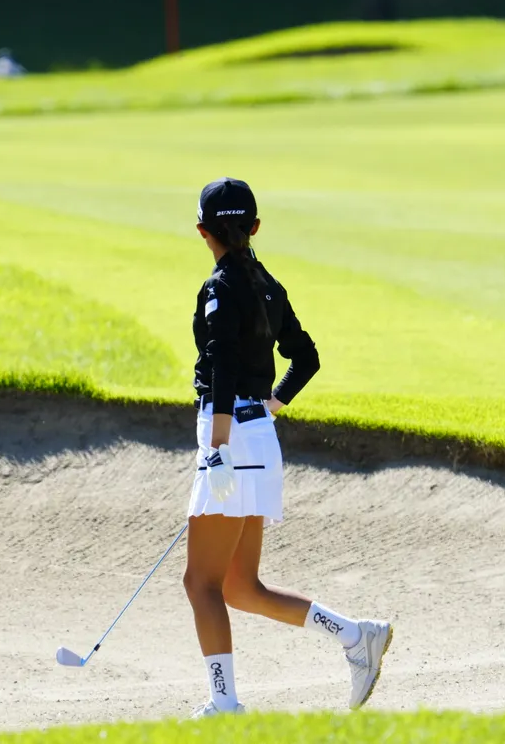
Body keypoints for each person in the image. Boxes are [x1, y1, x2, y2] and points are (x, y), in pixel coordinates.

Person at [183, 177, 392, 718]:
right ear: (254, 228)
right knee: (239, 587)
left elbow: (222, 367)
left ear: (203, 231)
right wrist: (268, 407)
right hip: (257, 439)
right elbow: (306, 357)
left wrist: (218, 447)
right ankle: (355, 636)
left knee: (201, 583)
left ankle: (224, 705)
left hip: (230, 441)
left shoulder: (218, 287)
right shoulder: (269, 286)